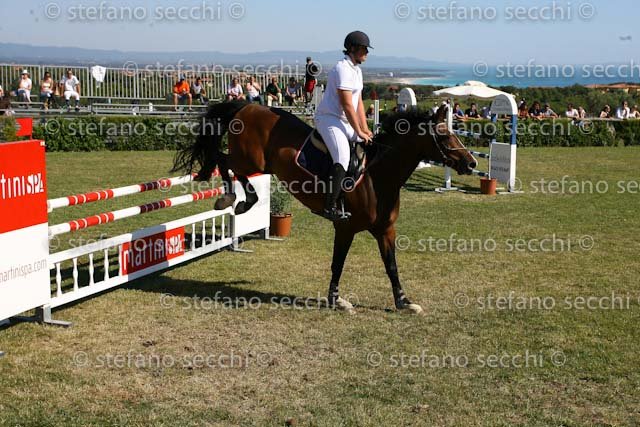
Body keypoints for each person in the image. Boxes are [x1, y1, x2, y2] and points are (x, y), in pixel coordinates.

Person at [315, 30, 373, 221]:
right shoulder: (342, 69)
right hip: (329, 119)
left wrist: (365, 129)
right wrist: (358, 131)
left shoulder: (357, 70)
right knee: (342, 157)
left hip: (345, 121)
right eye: (364, 48)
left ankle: (351, 194)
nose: (367, 52)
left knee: (369, 144)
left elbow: (358, 103)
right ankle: (329, 206)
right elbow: (347, 104)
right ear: (353, 48)